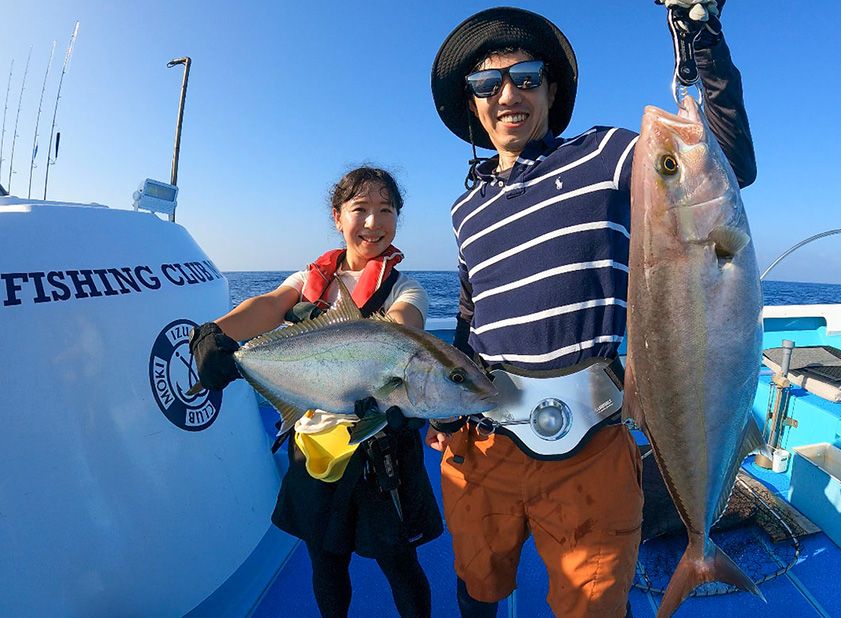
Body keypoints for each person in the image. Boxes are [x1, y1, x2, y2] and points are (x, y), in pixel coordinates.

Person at [427, 3, 756, 617]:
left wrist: (704, 41)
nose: (507, 95)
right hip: (485, 443)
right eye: (486, 84)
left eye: (525, 77)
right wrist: (446, 412)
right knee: (477, 587)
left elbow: (723, 166)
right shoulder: (463, 211)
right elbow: (473, 316)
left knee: (597, 607)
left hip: (590, 446)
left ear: (551, 89)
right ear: (472, 104)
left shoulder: (604, 156)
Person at [188, 166, 442, 618]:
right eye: (360, 209)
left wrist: (392, 370)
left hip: (380, 450)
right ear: (337, 216)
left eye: (386, 210)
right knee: (325, 561)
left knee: (399, 562)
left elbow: (407, 324)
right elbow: (269, 306)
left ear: (398, 219)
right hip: (316, 449)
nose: (373, 223)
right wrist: (215, 332)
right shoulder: (309, 280)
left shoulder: (406, 287)